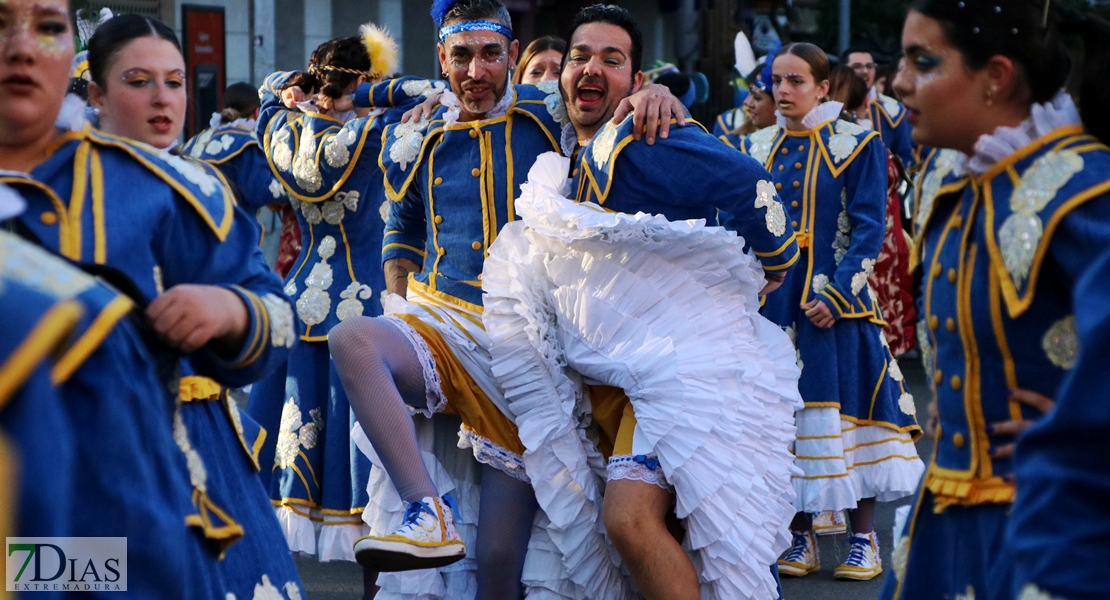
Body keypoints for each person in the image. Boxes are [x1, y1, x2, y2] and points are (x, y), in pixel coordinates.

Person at [326, 1, 685, 597]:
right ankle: (426, 508)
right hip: (441, 328)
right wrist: (402, 304)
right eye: (461, 56)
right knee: (355, 340)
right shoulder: (421, 134)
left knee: (497, 563)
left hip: (525, 363)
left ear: (514, 57)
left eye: (491, 54)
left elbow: (615, 93)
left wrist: (663, 98)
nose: (476, 72)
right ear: (441, 59)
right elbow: (402, 227)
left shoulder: (550, 112)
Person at [481, 5, 803, 598]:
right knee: (673, 533)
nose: (591, 69)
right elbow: (473, 90)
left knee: (630, 520)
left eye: (612, 59)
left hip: (683, 370)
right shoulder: (565, 145)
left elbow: (751, 185)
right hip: (619, 379)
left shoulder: (651, 137)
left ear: (635, 79)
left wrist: (770, 268)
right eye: (580, 56)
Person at [0, 7, 303, 598]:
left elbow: (273, 309)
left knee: (105, 578)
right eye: (139, 82)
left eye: (174, 82)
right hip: (30, 464)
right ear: (99, 94)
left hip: (164, 467)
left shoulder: (173, 190)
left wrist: (230, 311)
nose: (162, 100)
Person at [879, 1, 1110, 599]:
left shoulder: (1081, 186)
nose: (899, 81)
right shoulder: (956, 185)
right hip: (948, 518)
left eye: (923, 61)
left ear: (996, 76)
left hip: (1049, 527)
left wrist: (1080, 425)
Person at [246, 27, 429, 575]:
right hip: (365, 300)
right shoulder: (371, 130)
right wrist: (375, 93)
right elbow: (429, 93)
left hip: (301, 291)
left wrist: (297, 89)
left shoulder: (284, 125)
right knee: (364, 440)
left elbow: (266, 89)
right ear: (363, 83)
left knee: (293, 428)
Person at [739, 42, 924, 582]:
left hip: (836, 307)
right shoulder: (756, 146)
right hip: (776, 307)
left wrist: (839, 295)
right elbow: (741, 223)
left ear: (823, 87)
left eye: (796, 81)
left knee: (852, 419)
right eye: (776, 80)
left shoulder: (857, 143)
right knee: (787, 421)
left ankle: (862, 539)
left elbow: (872, 229)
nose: (782, 90)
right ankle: (799, 536)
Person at [843, 45, 917, 169]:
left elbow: (905, 157)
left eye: (869, 66)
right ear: (843, 70)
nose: (865, 71)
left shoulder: (894, 110)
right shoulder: (828, 107)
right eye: (857, 66)